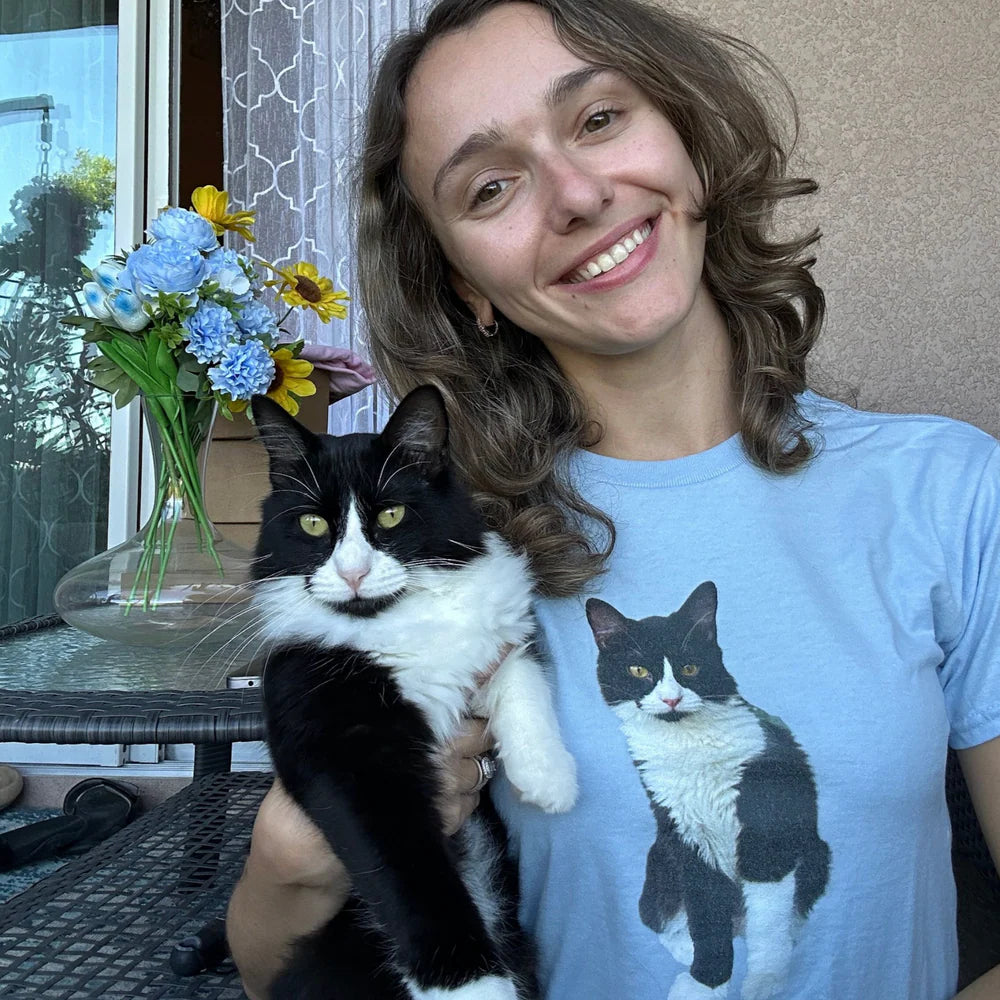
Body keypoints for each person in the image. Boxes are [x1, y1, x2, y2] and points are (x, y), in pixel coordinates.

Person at [226, 1, 1000, 997]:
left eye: (597, 119)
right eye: (491, 186)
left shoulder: (948, 488)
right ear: (465, 283)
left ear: (690, 138)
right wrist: (290, 857)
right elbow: (271, 973)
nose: (578, 196)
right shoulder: (445, 557)